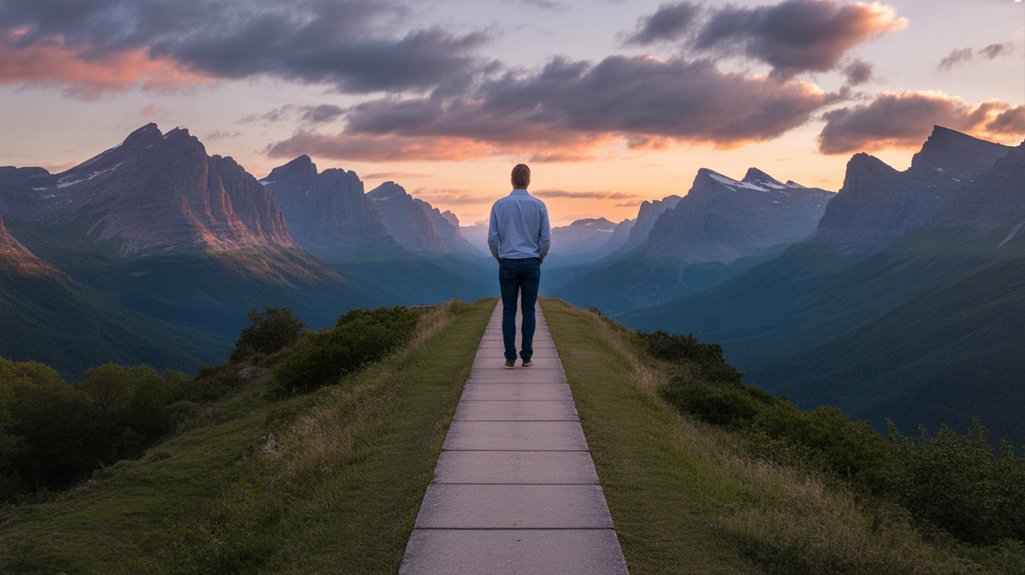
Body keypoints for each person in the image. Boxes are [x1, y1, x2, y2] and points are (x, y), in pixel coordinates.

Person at [487, 164, 551, 368]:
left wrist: (500, 257)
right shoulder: (539, 205)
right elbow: (546, 239)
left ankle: (509, 358)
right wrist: (539, 257)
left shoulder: (499, 205)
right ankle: (527, 357)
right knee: (529, 310)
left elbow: (492, 238)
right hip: (531, 262)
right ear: (529, 180)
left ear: (511, 180)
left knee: (509, 311)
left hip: (508, 262)